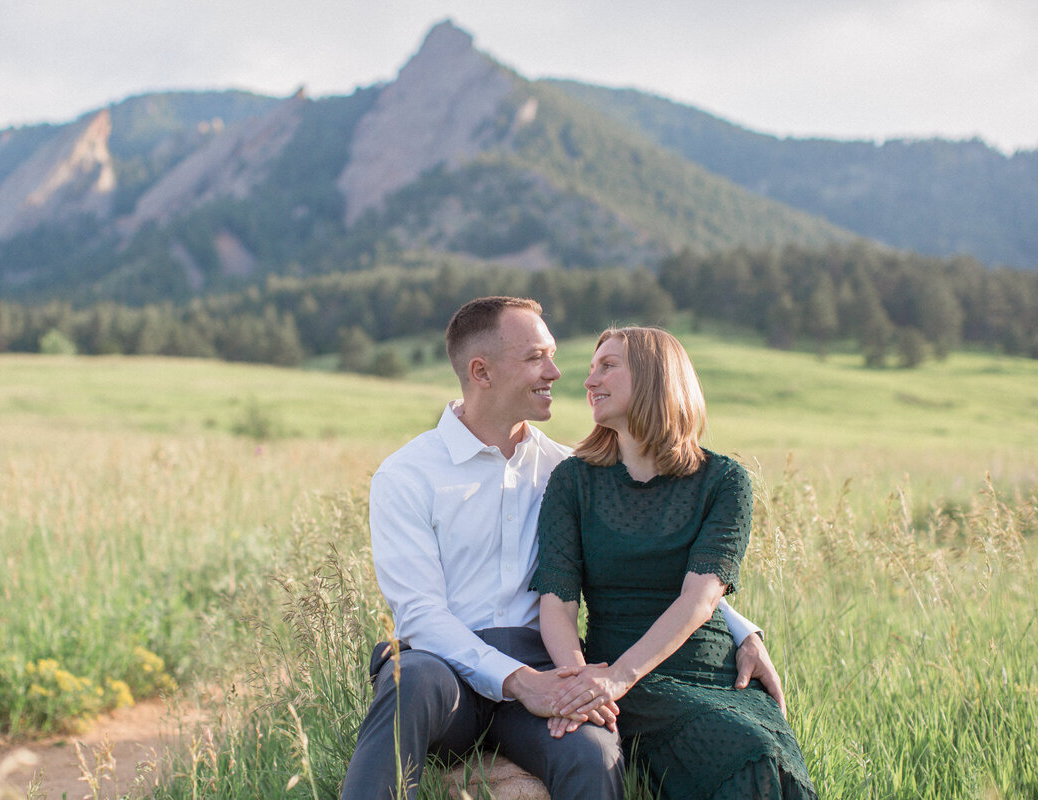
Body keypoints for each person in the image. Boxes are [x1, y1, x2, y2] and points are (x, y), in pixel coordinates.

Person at [341, 298, 786, 800]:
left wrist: (740, 628)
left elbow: (654, 564)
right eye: (535, 358)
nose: (556, 371)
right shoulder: (407, 474)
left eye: (552, 355)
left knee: (594, 752)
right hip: (447, 677)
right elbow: (420, 615)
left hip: (551, 669)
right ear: (481, 371)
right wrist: (519, 681)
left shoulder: (566, 471)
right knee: (408, 679)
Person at [530, 326, 816, 798]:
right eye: (590, 369)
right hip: (621, 673)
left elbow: (701, 598)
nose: (588, 381)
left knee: (760, 751)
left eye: (607, 366)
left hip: (716, 677)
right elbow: (557, 603)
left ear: (654, 377)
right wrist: (584, 683)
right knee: (742, 751)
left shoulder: (724, 481)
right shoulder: (573, 481)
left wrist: (617, 679)